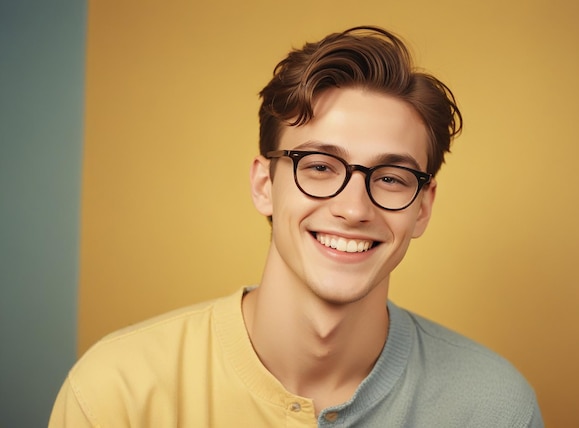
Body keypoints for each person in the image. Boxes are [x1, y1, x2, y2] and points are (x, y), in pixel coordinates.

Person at [49, 26, 543, 427]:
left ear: (423, 208)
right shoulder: (116, 393)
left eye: (391, 178)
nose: (354, 209)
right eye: (320, 167)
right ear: (265, 183)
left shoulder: (494, 407)